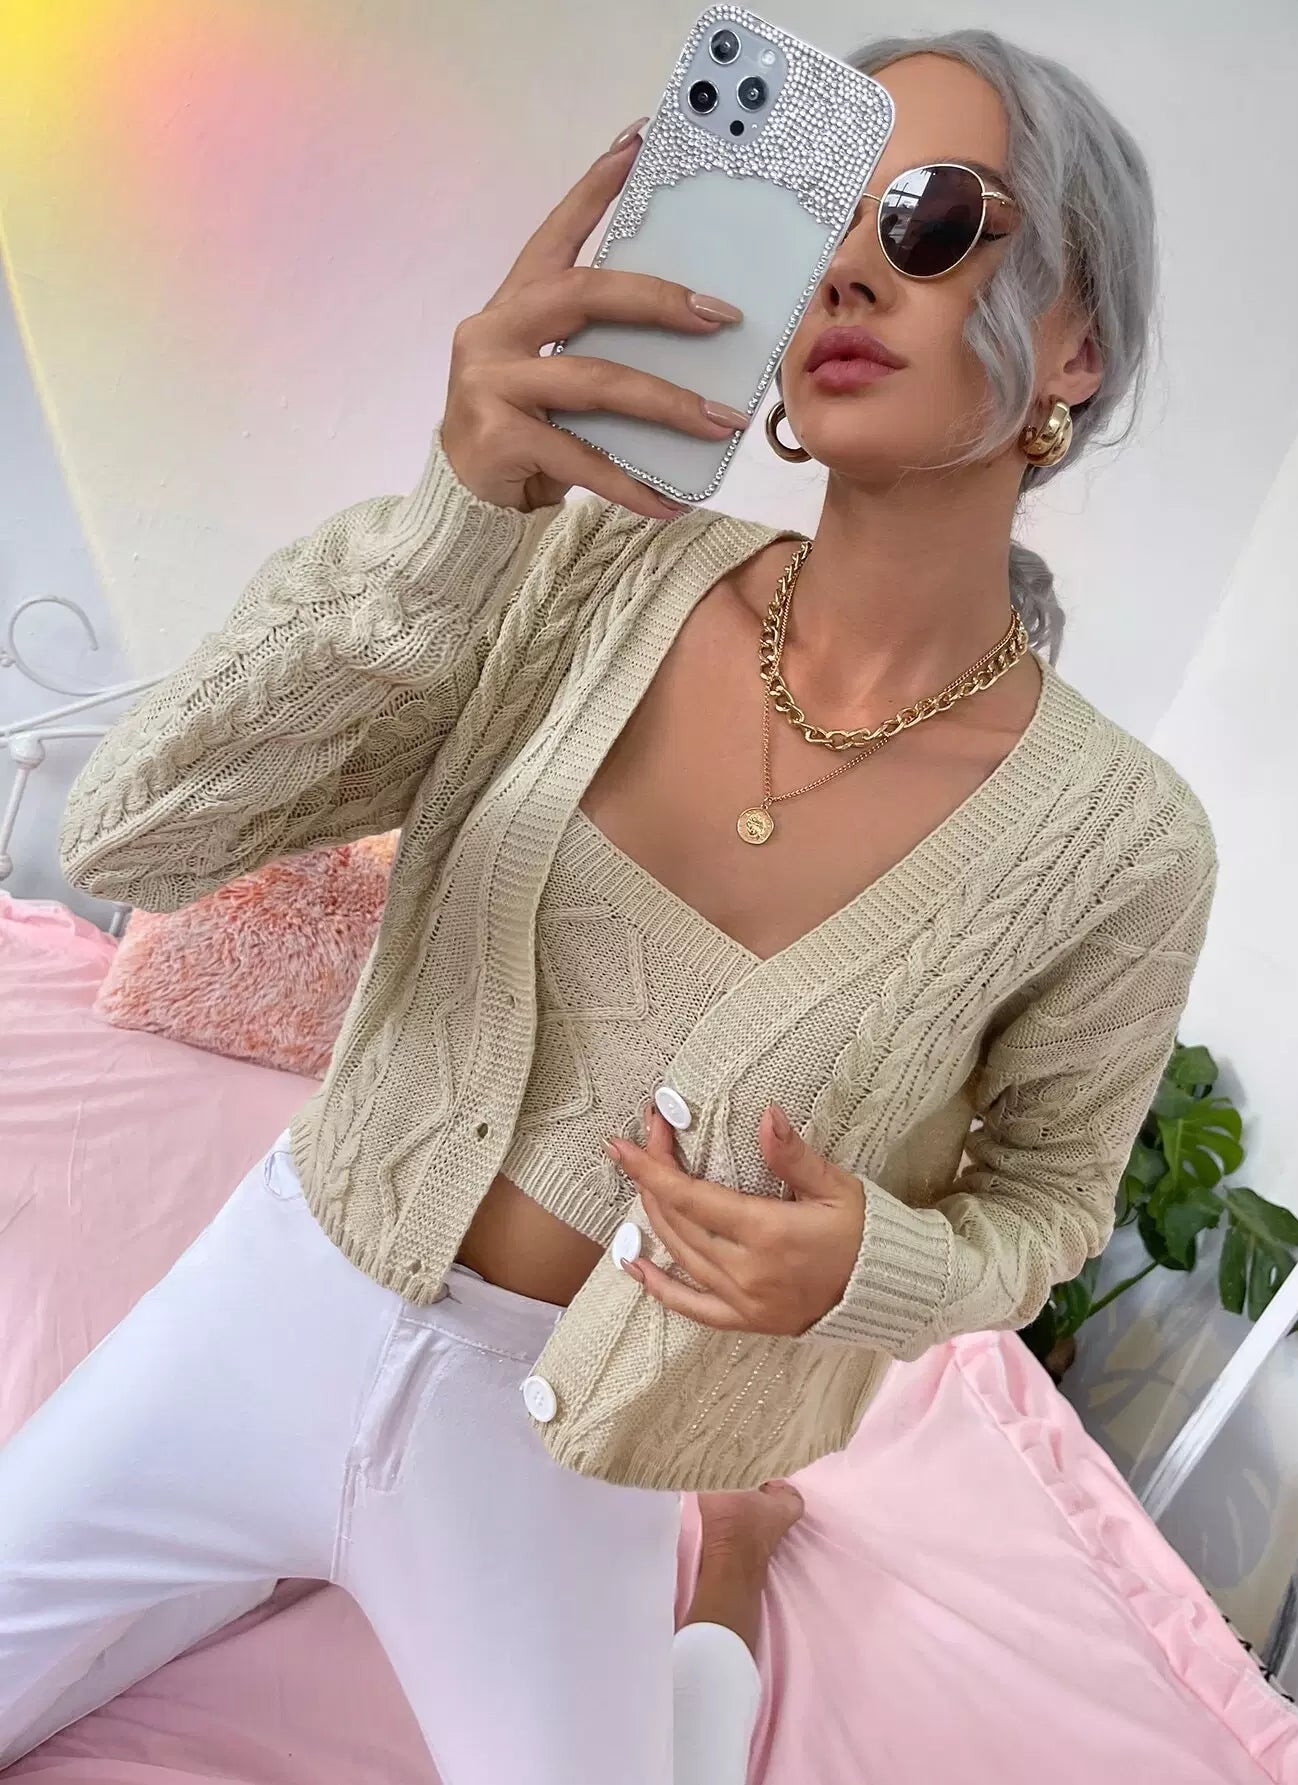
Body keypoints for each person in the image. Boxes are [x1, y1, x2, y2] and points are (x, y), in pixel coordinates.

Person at [0, 27, 1218, 1785]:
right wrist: (457, 513)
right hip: (277, 1290)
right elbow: (138, 833)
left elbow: (1044, 1206)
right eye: (823, 218)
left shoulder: (1121, 841)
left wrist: (865, 1264)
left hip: (566, 1452)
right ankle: (255, 1545)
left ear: (1079, 344)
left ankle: (724, 1571)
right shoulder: (578, 559)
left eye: (933, 217)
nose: (851, 267)